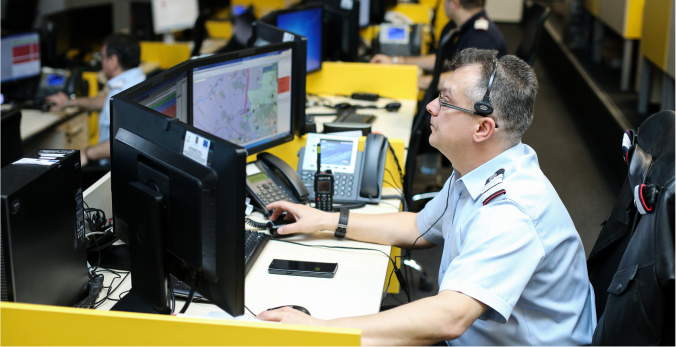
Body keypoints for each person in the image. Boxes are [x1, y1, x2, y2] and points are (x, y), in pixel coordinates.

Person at [257, 48, 596, 345]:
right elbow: (418, 227)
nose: (431, 106)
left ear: (482, 128)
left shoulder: (510, 211)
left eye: (446, 101)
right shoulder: (477, 169)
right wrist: (325, 220)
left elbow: (449, 318)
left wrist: (320, 332)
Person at [47, 33, 145, 168]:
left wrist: (87, 154)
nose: (101, 62)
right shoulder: (136, 81)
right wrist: (69, 102)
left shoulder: (122, 90)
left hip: (111, 168)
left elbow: (124, 141)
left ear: (113, 61)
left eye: (103, 57)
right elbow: (107, 101)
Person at [371, 0, 507, 92]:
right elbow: (444, 59)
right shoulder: (463, 27)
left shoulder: (481, 39)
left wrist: (406, 81)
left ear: (455, 3)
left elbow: (463, 80)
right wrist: (397, 61)